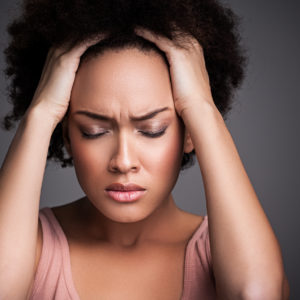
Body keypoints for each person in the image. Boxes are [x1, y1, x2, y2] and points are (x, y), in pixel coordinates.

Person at [0, 0, 290, 299]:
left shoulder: (219, 254)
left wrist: (202, 109)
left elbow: (258, 293)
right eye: (94, 131)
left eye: (152, 130)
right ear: (68, 136)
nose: (123, 161)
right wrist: (41, 113)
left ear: (190, 132)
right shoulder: (31, 245)